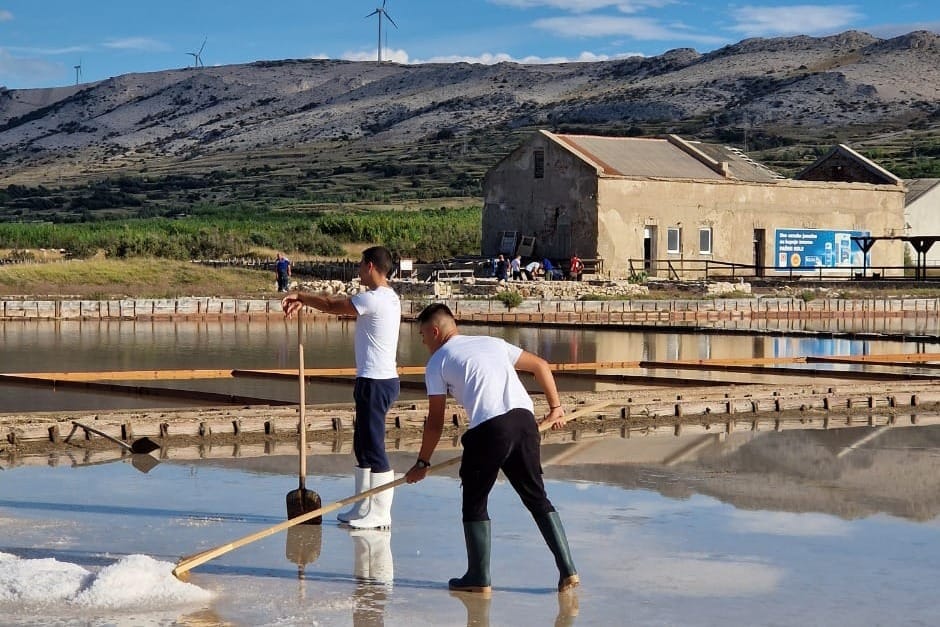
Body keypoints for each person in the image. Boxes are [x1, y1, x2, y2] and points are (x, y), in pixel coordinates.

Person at [405, 303, 579, 595]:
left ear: (435, 332)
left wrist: (422, 462)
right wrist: (555, 409)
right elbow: (541, 366)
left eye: (423, 336)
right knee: (536, 498)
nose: (423, 343)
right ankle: (568, 570)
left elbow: (435, 421)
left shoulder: (437, 362)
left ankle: (478, 577)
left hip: (490, 429)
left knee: (474, 502)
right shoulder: (491, 342)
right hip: (525, 421)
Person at [282, 245, 401, 529]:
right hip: (370, 379)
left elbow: (332, 305)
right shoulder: (387, 297)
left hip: (377, 380)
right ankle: (363, 505)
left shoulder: (375, 298)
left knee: (373, 447)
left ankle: (381, 511)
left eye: (361, 265)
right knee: (361, 445)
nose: (359, 270)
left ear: (371, 266)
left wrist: (301, 296)